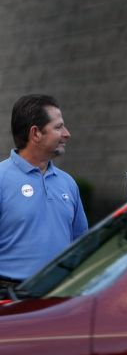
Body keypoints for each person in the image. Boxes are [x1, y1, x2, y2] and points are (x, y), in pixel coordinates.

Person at [0, 94, 88, 289]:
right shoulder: (1, 179)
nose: (67, 133)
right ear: (36, 134)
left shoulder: (68, 183)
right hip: (9, 298)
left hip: (59, 294)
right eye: (58, 127)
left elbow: (81, 245)